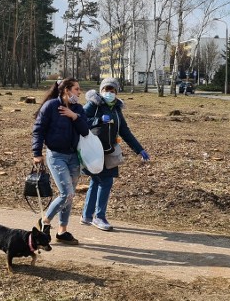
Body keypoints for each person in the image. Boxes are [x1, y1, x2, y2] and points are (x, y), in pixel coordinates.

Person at [81, 77, 149, 231]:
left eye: (112, 90)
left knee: (97, 181)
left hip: (109, 151)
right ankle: (99, 217)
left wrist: (139, 149)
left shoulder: (116, 109)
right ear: (101, 91)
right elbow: (80, 120)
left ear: (117, 92)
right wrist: (98, 120)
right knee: (105, 181)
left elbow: (124, 131)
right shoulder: (94, 105)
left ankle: (87, 215)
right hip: (94, 150)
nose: (109, 93)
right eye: (106, 90)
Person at [31, 78, 89, 245]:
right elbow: (38, 129)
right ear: (66, 90)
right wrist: (37, 152)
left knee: (69, 196)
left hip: (74, 158)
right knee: (67, 193)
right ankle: (45, 220)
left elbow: (85, 130)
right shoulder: (50, 106)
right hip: (56, 156)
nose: (79, 92)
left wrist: (74, 117)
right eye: (77, 89)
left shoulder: (78, 109)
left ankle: (62, 231)